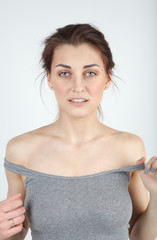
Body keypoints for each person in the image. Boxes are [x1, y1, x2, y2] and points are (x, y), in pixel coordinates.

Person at [0, 23, 154, 240]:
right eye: (64, 73)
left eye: (90, 73)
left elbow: (140, 235)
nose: (78, 86)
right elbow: (17, 231)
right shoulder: (20, 151)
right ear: (50, 79)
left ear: (107, 78)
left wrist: (156, 196)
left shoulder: (129, 148)